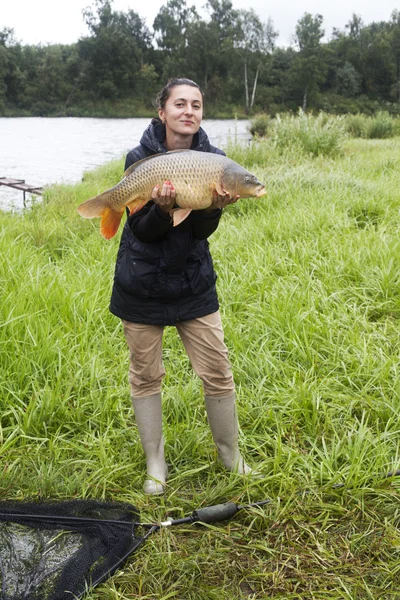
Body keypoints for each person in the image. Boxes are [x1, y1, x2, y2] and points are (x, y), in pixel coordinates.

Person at [110, 77, 254, 495]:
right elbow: (142, 230)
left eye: (196, 105)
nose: (189, 111)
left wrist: (213, 207)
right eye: (180, 104)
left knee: (218, 372)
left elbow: (202, 230)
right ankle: (155, 461)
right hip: (142, 282)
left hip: (193, 281)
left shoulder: (217, 161)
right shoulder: (139, 158)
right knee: (145, 376)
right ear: (163, 112)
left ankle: (230, 454)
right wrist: (161, 208)